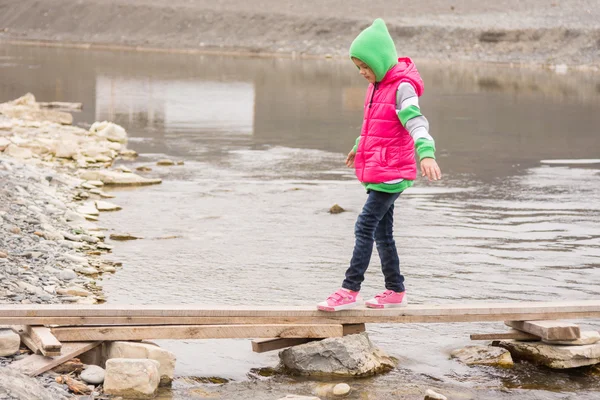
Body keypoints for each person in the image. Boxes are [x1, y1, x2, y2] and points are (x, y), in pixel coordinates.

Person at [317, 18, 442, 312]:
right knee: (383, 234)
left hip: (392, 172)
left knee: (365, 226)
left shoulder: (402, 88)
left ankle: (350, 289)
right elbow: (375, 125)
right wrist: (358, 147)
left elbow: (415, 121)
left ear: (381, 60)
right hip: (380, 168)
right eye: (358, 67)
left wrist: (426, 153)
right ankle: (396, 290)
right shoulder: (377, 86)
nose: (361, 72)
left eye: (365, 66)